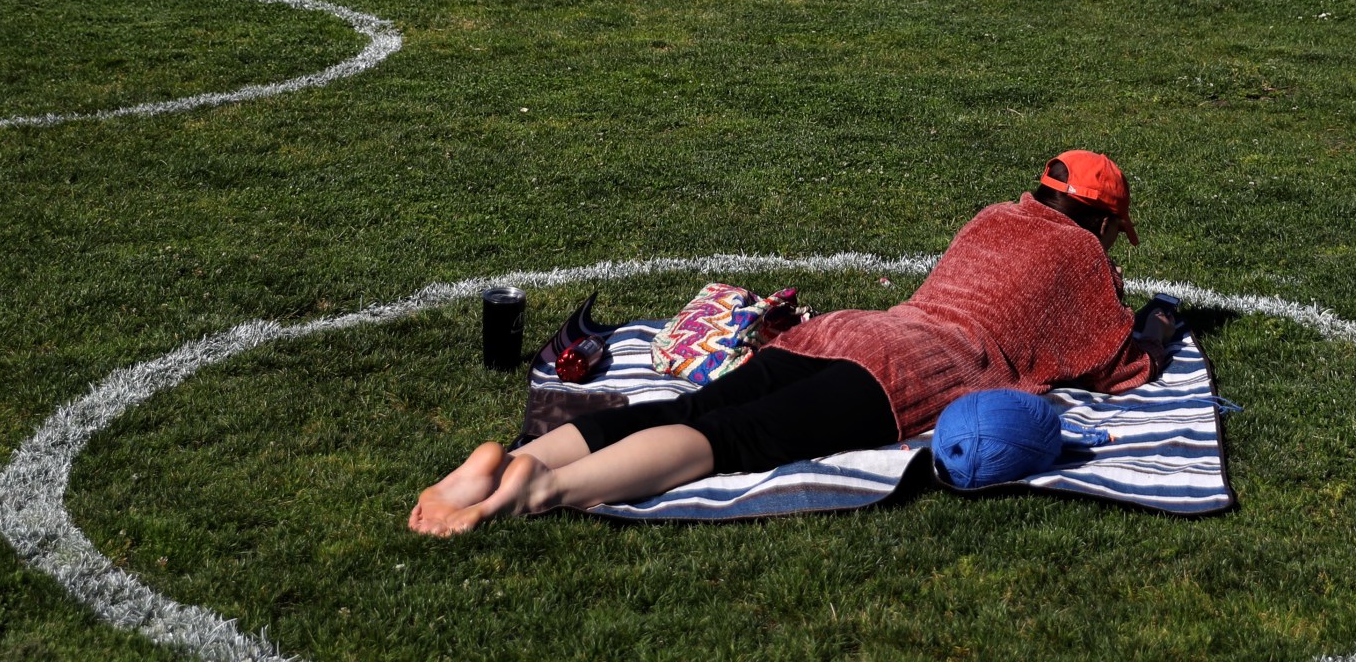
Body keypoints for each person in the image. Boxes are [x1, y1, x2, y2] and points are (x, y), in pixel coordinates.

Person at [408, 150, 1173, 533]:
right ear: (1103, 224)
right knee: (729, 441)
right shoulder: (1083, 257)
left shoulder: (990, 216)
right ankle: (537, 490)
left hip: (851, 328)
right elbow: (1115, 365)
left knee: (695, 405)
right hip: (918, 370)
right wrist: (1159, 328)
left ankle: (519, 457)